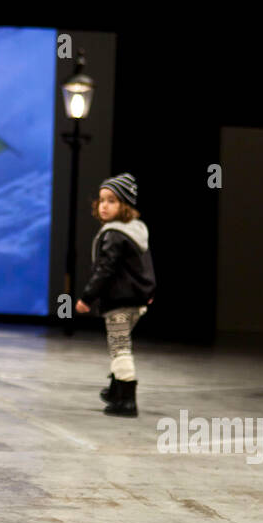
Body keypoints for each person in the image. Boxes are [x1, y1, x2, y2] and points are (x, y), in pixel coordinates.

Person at [75, 173, 156, 417]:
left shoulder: (114, 235)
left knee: (120, 348)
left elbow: (105, 271)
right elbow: (145, 267)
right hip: (137, 302)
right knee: (119, 345)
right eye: (101, 200)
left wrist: (86, 298)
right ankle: (115, 390)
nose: (104, 206)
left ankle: (127, 401)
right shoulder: (137, 231)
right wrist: (148, 292)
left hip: (119, 303)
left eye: (111, 200)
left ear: (125, 205)